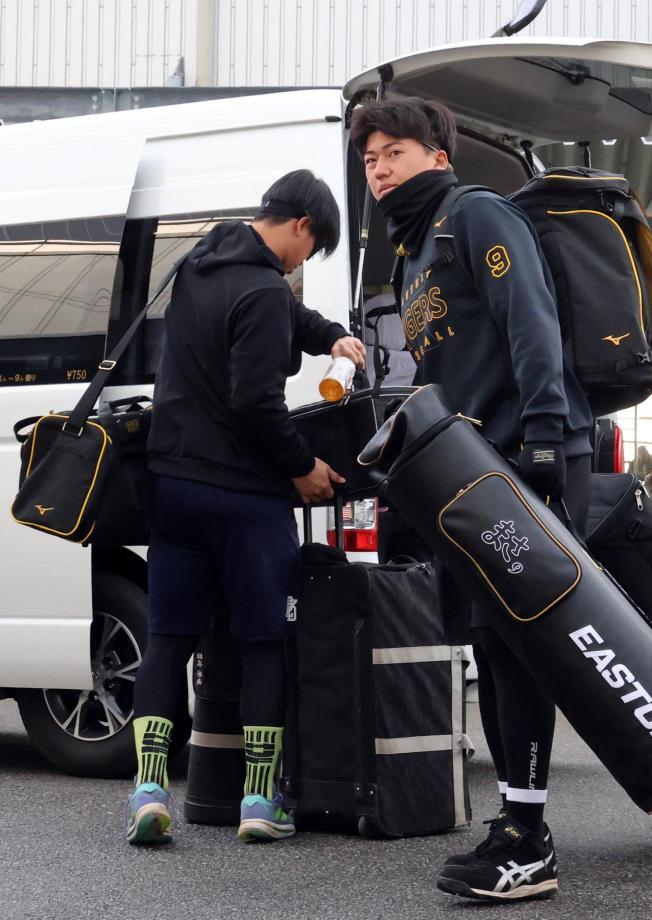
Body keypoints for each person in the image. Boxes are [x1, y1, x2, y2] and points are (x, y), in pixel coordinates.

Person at [352, 96, 593, 902]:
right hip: (473, 474)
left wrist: (550, 436)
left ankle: (531, 839)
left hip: (526, 456)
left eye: (394, 152)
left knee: (519, 640)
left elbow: (531, 318)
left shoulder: (477, 215)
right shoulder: (415, 257)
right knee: (491, 644)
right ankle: (518, 825)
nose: (379, 169)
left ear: (437, 155)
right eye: (369, 159)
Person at [124, 169, 366, 846]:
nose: (301, 265)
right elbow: (256, 402)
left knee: (170, 638)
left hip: (173, 487)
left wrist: (330, 337)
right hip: (244, 498)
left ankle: (148, 791)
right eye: (308, 253)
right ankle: (260, 802)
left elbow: (282, 316)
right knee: (263, 643)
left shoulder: (201, 263)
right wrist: (303, 468)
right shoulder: (262, 288)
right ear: (302, 227)